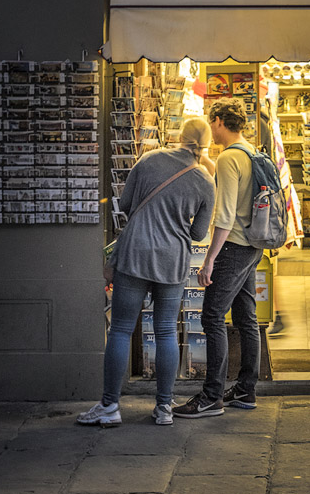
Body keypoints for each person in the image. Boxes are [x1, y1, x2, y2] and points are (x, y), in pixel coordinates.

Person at [77, 118, 216, 427]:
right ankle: (164, 407)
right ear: (207, 144)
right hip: (172, 260)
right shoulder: (206, 181)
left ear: (180, 137)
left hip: (135, 254)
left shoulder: (150, 159)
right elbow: (198, 233)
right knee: (166, 330)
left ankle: (109, 406)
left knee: (121, 329)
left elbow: (126, 203)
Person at [174, 96, 262, 418]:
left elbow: (224, 216)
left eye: (212, 122)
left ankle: (211, 396)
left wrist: (210, 258)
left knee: (212, 316)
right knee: (246, 317)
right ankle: (246, 389)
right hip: (252, 245)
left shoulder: (228, 158)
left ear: (219, 122)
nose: (211, 128)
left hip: (233, 246)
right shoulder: (250, 152)